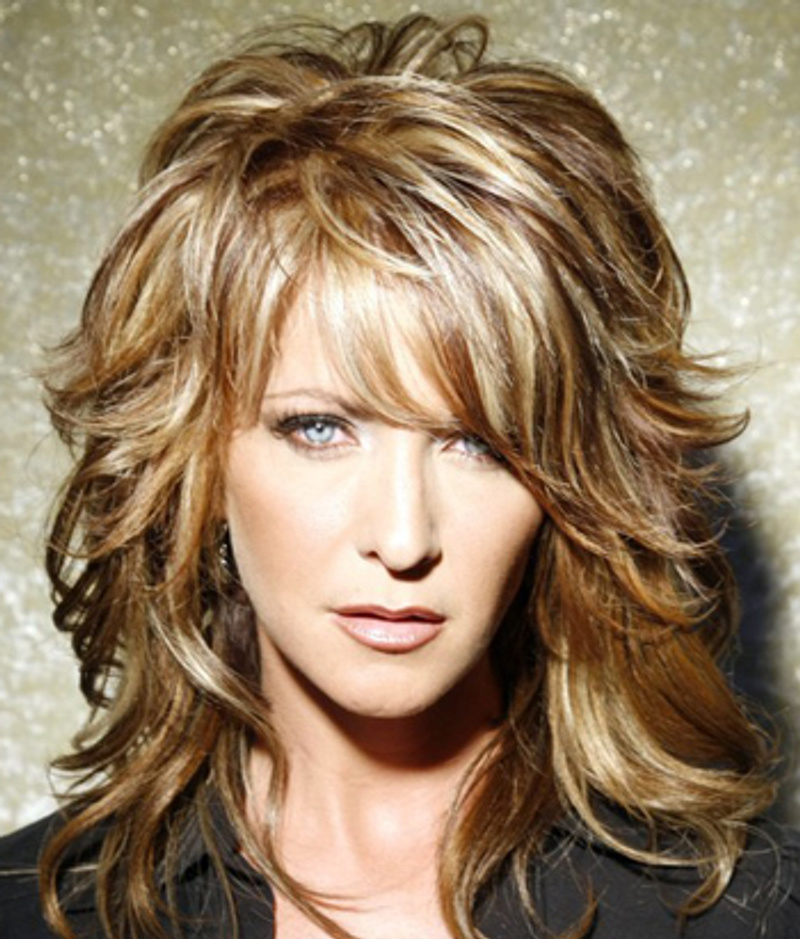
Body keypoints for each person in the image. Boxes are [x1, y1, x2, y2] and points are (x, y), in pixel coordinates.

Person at [0, 12, 797, 939]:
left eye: (481, 444)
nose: (405, 537)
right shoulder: (35, 913)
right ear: (194, 456)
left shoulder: (749, 915)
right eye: (320, 427)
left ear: (567, 488)